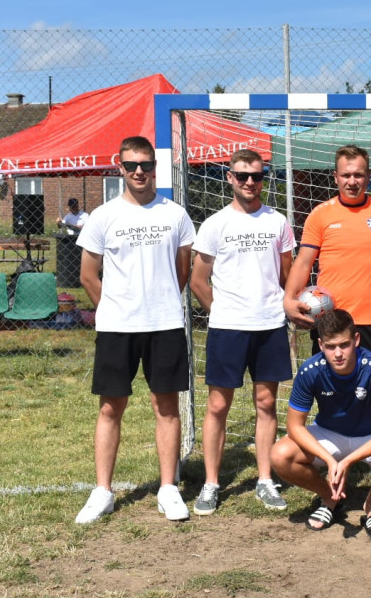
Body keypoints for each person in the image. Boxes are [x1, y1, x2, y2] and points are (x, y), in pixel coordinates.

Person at [74, 136, 196, 524]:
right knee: (110, 408)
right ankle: (102, 492)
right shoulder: (103, 216)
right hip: (116, 328)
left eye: (145, 164)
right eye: (131, 165)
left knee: (167, 406)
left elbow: (182, 270)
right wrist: (114, 308)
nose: (139, 171)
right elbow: (88, 276)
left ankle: (168, 489)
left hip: (164, 324)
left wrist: (156, 301)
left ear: (155, 167)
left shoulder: (175, 214)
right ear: (120, 167)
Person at [189, 150, 295, 515]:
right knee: (218, 405)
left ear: (264, 178)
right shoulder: (215, 224)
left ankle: (265, 479)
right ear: (230, 178)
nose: (250, 181)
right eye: (242, 175)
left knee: (266, 403)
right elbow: (198, 281)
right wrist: (222, 312)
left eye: (257, 175)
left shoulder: (278, 222)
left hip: (269, 326)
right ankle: (211, 483)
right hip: (228, 329)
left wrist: (283, 309)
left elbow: (287, 276)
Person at [270, 309, 371, 539]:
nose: (338, 353)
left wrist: (348, 461)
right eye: (330, 346)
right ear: (320, 344)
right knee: (280, 455)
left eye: (344, 345)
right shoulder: (310, 370)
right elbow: (295, 426)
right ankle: (331, 498)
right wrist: (328, 460)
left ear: (356, 340)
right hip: (329, 434)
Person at [283, 145, 371, 369]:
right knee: (332, 397)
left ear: (368, 176)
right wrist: (288, 300)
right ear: (335, 177)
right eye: (346, 175)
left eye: (358, 175)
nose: (352, 181)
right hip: (332, 322)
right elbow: (304, 262)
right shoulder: (320, 214)